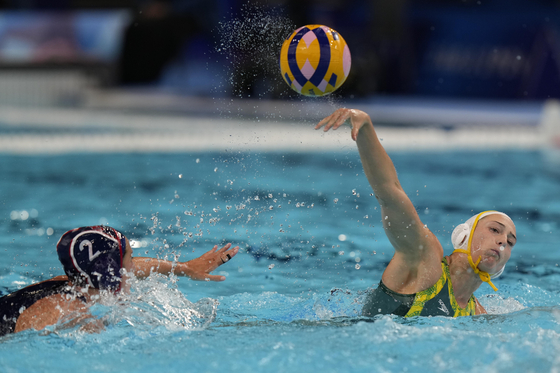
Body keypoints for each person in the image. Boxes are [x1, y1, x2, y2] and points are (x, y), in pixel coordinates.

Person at [316, 108, 517, 317]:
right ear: (462, 235)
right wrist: (365, 127)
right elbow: (389, 191)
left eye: (510, 242)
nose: (502, 241)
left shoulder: (477, 314)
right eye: (495, 229)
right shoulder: (424, 256)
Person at [0, 225, 239, 336]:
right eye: (129, 259)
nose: (134, 269)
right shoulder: (70, 312)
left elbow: (140, 268)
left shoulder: (77, 283)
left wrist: (185, 268)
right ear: (110, 270)